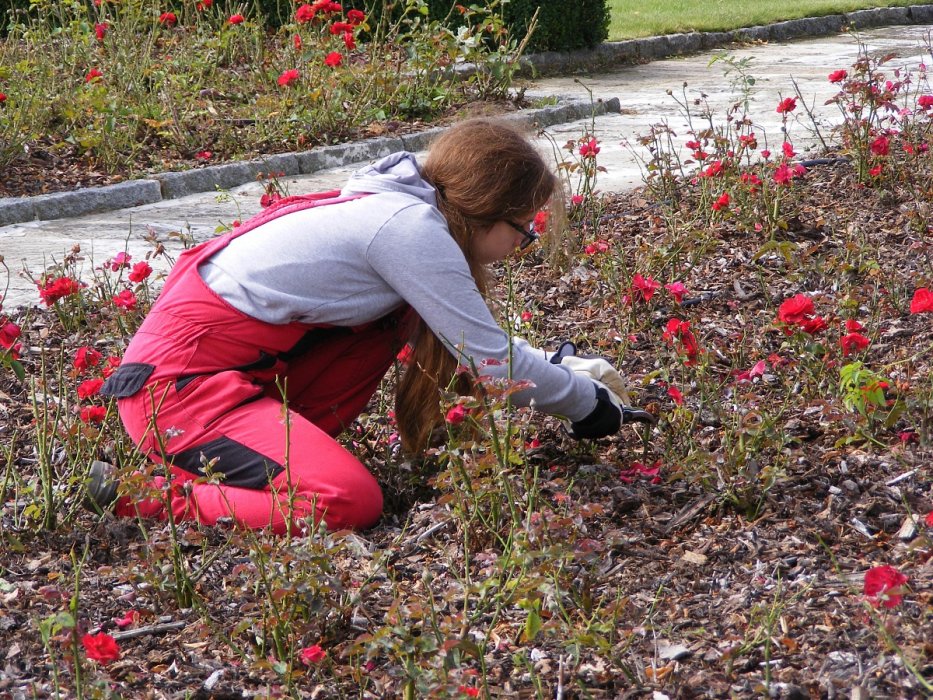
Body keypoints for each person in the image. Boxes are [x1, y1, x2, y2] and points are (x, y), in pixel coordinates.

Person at [90, 118, 652, 535]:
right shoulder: (408, 231)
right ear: (486, 209)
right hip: (176, 393)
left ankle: (230, 469)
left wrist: (555, 369)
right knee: (345, 502)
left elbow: (467, 337)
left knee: (400, 320)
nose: (523, 245)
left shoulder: (401, 209)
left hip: (229, 378)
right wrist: (588, 405)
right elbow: (492, 360)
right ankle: (142, 495)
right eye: (524, 228)